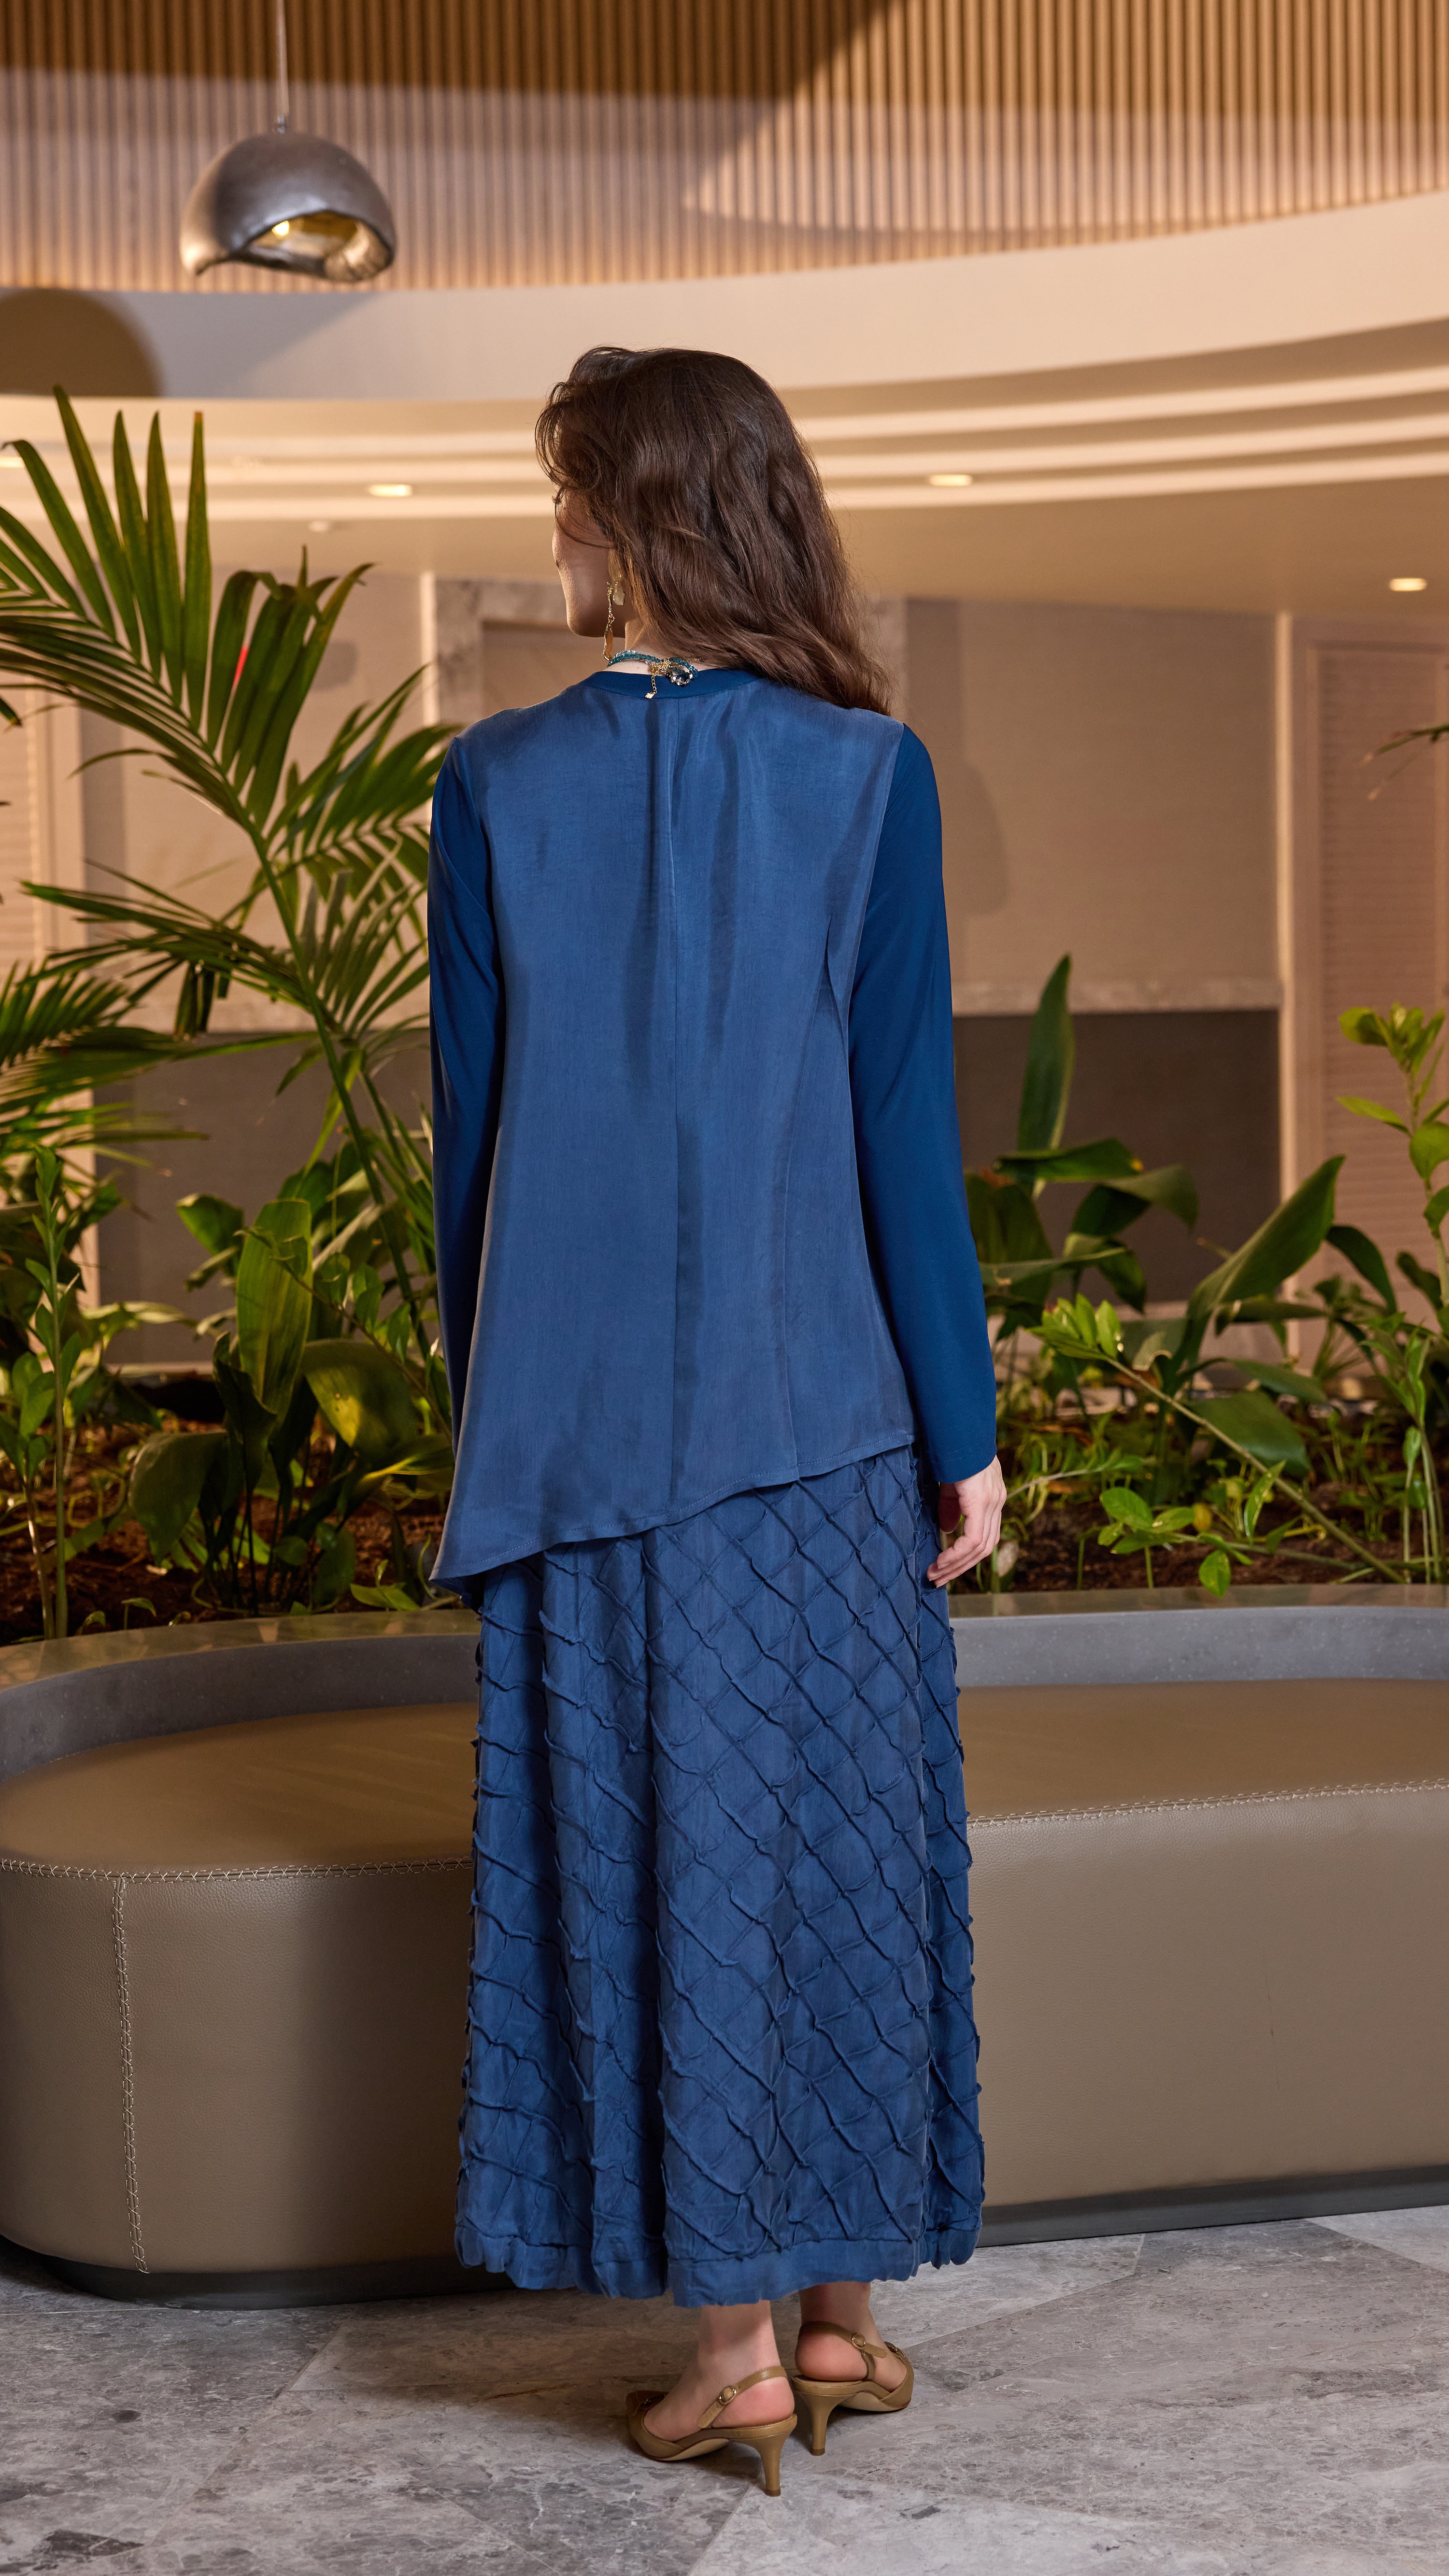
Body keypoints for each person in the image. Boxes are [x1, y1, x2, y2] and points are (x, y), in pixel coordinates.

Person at [427, 343, 1005, 2497]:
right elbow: (901, 1132)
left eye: (568, 498)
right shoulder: (872, 774)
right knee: (841, 1851)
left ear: (631, 517)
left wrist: (495, 1409)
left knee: (665, 1872)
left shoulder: (495, 784)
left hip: (587, 1451)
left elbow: (472, 1161)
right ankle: (841, 2321)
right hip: (833, 1424)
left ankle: (740, 2357)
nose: (555, 535)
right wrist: (962, 1427)